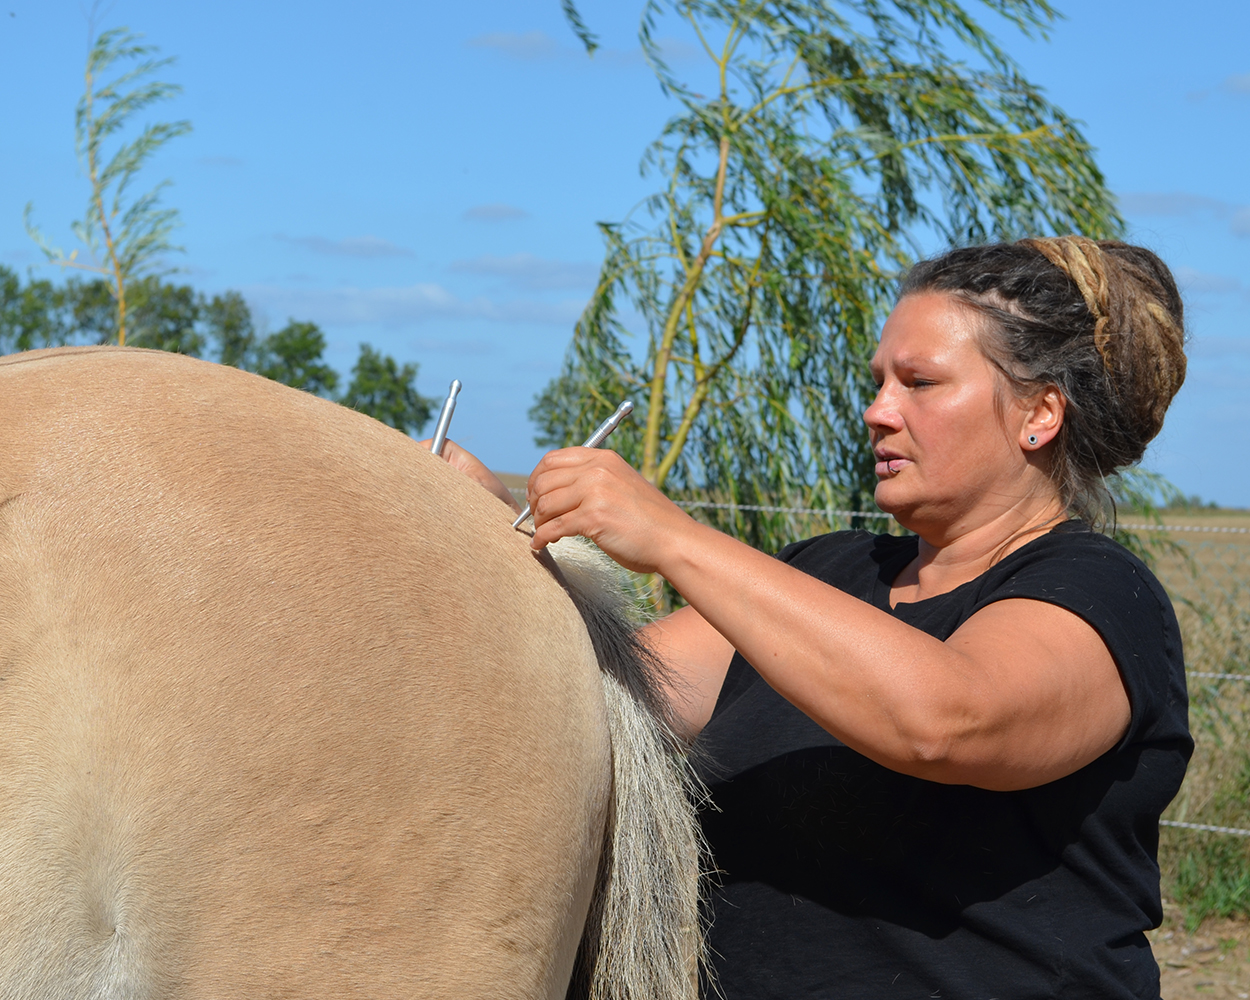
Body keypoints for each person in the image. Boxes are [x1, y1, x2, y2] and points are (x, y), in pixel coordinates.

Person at [441, 236, 1192, 999]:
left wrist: (670, 536)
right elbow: (599, 703)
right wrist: (492, 547)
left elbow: (945, 719)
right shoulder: (827, 572)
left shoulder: (1103, 597)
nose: (877, 412)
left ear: (1039, 413)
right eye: (878, 382)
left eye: (920, 382)